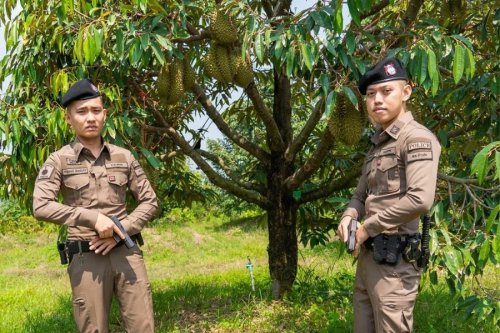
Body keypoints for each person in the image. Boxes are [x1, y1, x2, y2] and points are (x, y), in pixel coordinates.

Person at [33, 79, 158, 333]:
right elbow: (41, 205)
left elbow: (150, 201)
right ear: (68, 118)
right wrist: (92, 218)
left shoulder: (123, 156)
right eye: (81, 112)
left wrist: (119, 229)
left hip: (126, 252)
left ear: (105, 114)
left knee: (143, 326)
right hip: (86, 257)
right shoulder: (59, 161)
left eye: (96, 110)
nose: (90, 117)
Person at [337, 58, 441, 333]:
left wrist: (366, 228)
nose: (377, 100)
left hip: (395, 263)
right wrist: (349, 216)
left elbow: (420, 199)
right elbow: (361, 195)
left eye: (386, 92)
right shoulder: (378, 144)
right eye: (371, 95)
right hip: (369, 258)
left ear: (406, 92)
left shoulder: (416, 138)